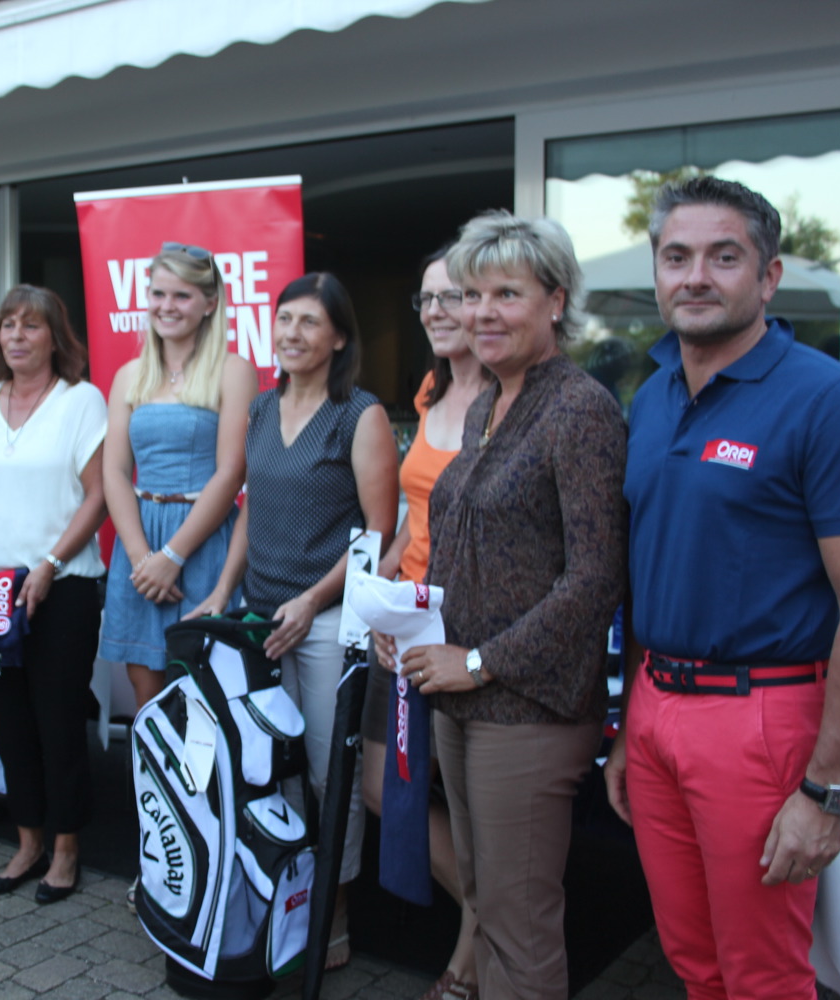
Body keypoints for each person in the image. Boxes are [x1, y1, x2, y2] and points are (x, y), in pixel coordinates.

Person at [603, 177, 840, 1000]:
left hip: (763, 718)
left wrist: (828, 791)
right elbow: (654, 569)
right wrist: (631, 725)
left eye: (723, 257)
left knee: (763, 975)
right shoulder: (653, 398)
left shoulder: (832, 402)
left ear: (768, 277)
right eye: (676, 257)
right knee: (693, 962)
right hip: (657, 705)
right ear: (658, 275)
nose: (696, 276)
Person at [387, 211, 626, 1000]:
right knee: (486, 907)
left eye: (506, 294)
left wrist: (480, 661)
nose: (482, 312)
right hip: (461, 696)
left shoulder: (580, 410)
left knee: (520, 930)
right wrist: (410, 625)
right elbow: (465, 549)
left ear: (555, 301)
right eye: (471, 294)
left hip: (528, 707)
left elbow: (595, 580)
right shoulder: (488, 403)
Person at [193, 272, 397, 970]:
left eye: (310, 322)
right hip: (260, 620)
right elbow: (252, 508)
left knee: (328, 774)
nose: (292, 333)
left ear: (339, 338)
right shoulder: (260, 408)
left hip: (326, 623)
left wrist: (312, 601)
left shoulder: (358, 415)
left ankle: (333, 914)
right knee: (272, 774)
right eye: (285, 320)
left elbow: (376, 535)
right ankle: (289, 899)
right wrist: (224, 589)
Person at [0, 284, 107, 904]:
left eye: (31, 325)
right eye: (8, 324)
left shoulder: (80, 401)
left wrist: (50, 563)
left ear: (54, 337)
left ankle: (66, 850)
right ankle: (28, 842)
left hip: (61, 590)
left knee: (58, 722)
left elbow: (98, 495)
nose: (16, 335)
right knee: (9, 720)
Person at [364, 250, 487, 1000]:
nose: (437, 311)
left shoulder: (506, 399)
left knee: (472, 805)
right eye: (427, 299)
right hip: (406, 626)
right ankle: (482, 906)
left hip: (464, 633)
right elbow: (416, 519)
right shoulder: (432, 388)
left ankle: (471, 955)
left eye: (453, 296)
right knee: (383, 785)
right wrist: (381, 596)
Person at [100, 242, 257, 707]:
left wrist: (173, 554)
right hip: (140, 544)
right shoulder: (129, 375)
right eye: (158, 293)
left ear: (209, 303)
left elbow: (231, 473)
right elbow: (115, 470)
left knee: (205, 692)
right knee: (146, 692)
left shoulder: (233, 371)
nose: (166, 306)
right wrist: (141, 557)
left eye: (182, 295)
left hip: (202, 542)